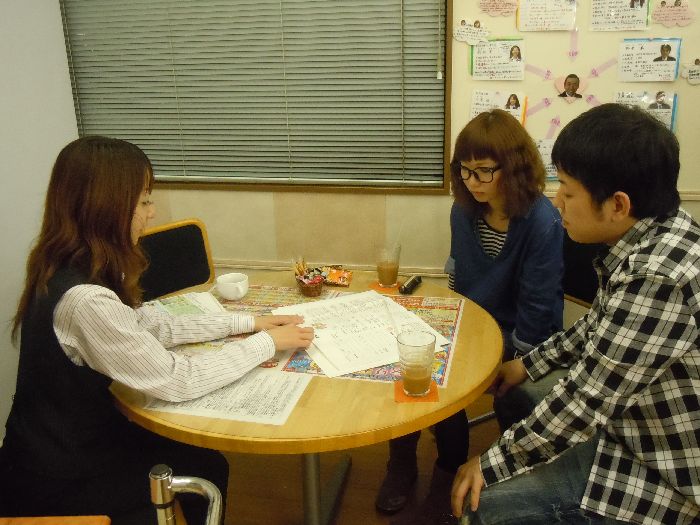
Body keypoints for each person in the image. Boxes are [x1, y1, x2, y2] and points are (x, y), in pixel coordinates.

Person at [0, 136, 314, 524]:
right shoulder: (85, 301)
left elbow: (150, 323)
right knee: (205, 473)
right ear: (107, 208)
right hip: (60, 473)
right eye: (145, 201)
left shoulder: (70, 261)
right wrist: (265, 343)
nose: (152, 213)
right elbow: (177, 380)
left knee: (208, 464)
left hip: (75, 438)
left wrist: (249, 322)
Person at [451, 103, 700, 525]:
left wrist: (490, 463)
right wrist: (527, 365)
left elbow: (586, 401)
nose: (557, 201)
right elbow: (594, 327)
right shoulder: (659, 232)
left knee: (485, 502)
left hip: (660, 462)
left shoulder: (657, 278)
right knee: (520, 392)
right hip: (626, 416)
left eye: (567, 191)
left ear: (617, 204)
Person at [376, 109, 564, 525]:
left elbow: (537, 308)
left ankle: (447, 472)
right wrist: (445, 325)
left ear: (513, 167)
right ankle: (402, 460)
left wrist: (514, 357)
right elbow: (461, 278)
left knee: (449, 372)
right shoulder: (463, 211)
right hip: (474, 320)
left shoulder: (541, 221)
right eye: (464, 170)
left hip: (522, 334)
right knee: (410, 355)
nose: (472, 181)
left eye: (483, 171)